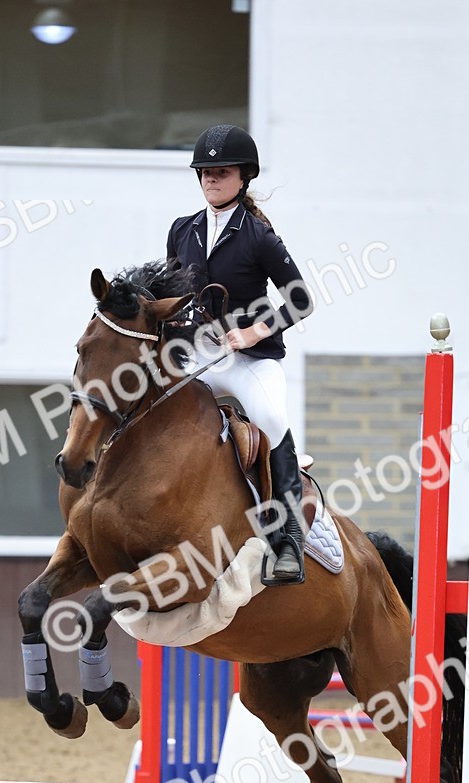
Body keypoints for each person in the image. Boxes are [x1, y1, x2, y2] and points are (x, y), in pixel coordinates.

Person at [166, 124, 314, 585]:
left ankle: (287, 543)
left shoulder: (258, 236)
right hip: (199, 358)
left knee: (271, 417)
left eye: (222, 171)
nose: (212, 179)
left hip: (249, 359)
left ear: (243, 177)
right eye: (205, 172)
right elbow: (171, 293)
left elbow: (299, 299)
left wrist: (252, 333)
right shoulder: (182, 231)